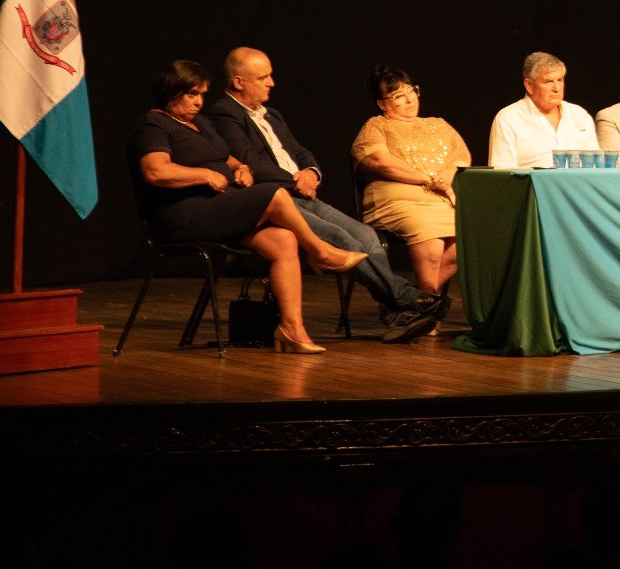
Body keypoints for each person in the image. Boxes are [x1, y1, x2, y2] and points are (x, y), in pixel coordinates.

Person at [206, 46, 448, 343]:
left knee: (367, 236)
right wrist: (296, 182)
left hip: (301, 194)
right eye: (263, 77)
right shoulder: (224, 113)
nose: (272, 83)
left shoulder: (272, 114)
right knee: (341, 239)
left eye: (270, 76)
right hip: (271, 200)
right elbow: (251, 160)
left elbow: (299, 151)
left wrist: (310, 172)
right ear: (238, 82)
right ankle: (412, 300)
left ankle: (396, 311)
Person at [129, 60, 367, 355]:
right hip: (183, 215)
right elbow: (156, 172)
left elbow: (224, 157)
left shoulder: (200, 123)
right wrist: (203, 175)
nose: (198, 102)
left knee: (283, 240)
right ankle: (320, 251)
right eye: (191, 94)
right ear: (170, 91)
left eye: (202, 94)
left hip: (221, 209)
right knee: (275, 193)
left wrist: (241, 167)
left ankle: (291, 329)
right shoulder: (153, 125)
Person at [351, 64, 471, 319]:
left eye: (411, 91)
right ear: (382, 104)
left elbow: (460, 157)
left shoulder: (438, 124)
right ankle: (425, 310)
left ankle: (416, 303)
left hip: (440, 198)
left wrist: (446, 175)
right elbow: (379, 162)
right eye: (397, 95)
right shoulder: (376, 126)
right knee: (429, 228)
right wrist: (427, 178)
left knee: (472, 233)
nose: (408, 99)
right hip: (395, 200)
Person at [488, 52, 599, 168]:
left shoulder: (580, 115)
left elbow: (596, 167)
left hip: (579, 185)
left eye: (560, 80)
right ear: (529, 85)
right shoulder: (508, 119)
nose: (556, 88)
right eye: (548, 81)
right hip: (533, 186)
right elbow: (502, 174)